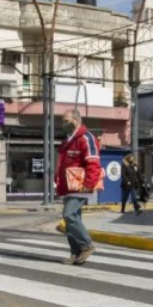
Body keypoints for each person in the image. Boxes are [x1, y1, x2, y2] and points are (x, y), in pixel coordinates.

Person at [55, 108, 101, 265]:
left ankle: (86, 245)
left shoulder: (86, 138)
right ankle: (76, 253)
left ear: (76, 120)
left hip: (81, 186)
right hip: (69, 186)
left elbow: (93, 163)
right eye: (63, 121)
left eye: (66, 121)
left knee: (69, 215)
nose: (64, 124)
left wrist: (89, 184)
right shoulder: (70, 139)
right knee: (71, 220)